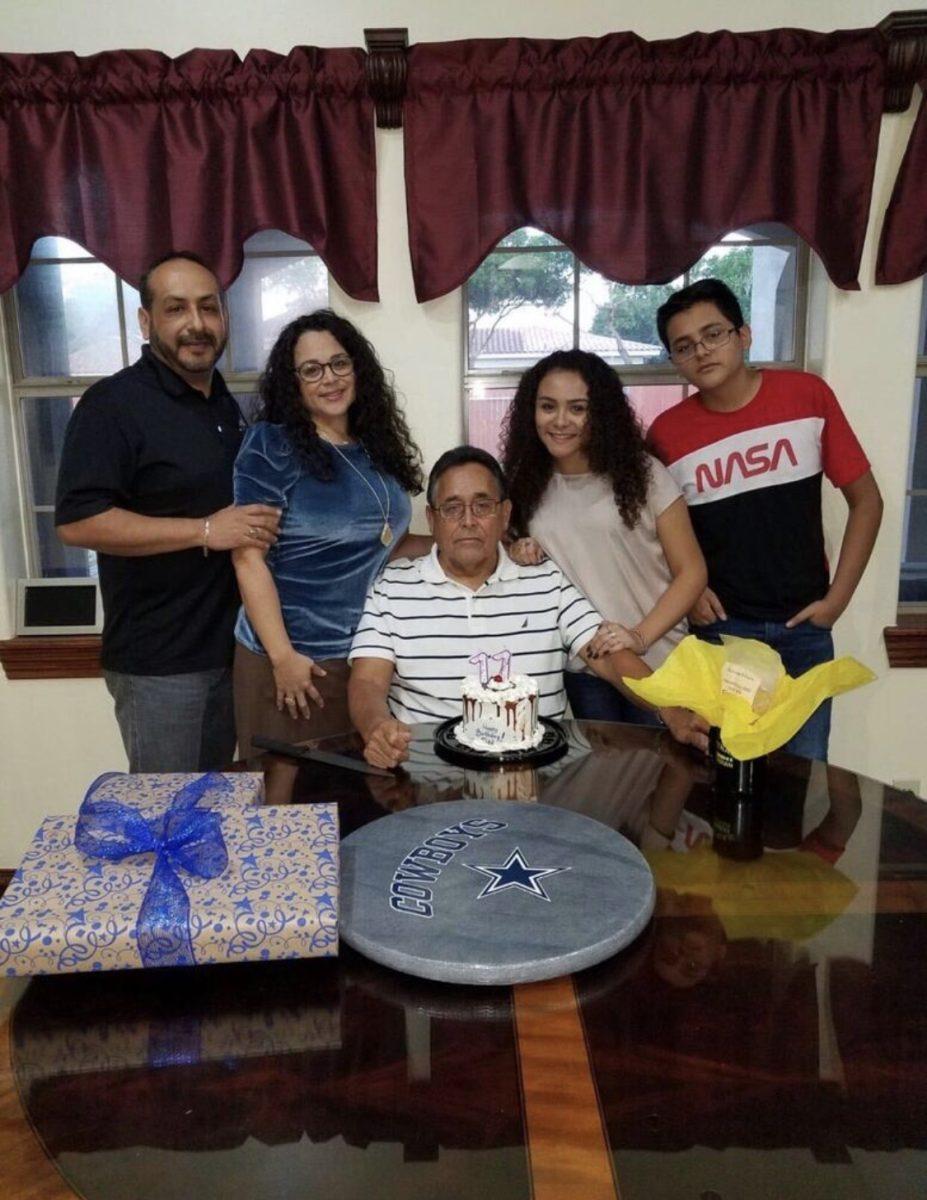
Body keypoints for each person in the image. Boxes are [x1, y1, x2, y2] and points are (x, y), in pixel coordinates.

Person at [55, 251, 281, 772]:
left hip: (231, 651)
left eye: (208, 308)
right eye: (176, 309)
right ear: (146, 320)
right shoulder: (113, 405)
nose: (196, 324)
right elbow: (77, 521)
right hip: (159, 666)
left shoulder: (224, 404)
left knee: (218, 810)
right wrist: (205, 529)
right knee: (167, 819)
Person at [348, 446, 709, 768]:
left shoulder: (544, 579)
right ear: (432, 519)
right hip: (426, 781)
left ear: (505, 515)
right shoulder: (393, 586)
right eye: (452, 508)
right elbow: (367, 680)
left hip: (535, 787)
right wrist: (376, 727)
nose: (469, 521)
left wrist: (670, 710)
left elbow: (610, 657)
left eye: (483, 505)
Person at [649, 278, 883, 761]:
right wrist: (688, 589)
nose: (702, 352)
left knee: (800, 777)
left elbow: (868, 502)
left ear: (744, 334)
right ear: (675, 360)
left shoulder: (807, 396)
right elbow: (654, 535)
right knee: (718, 778)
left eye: (714, 334)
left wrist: (836, 601)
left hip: (804, 632)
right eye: (684, 346)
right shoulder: (667, 434)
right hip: (721, 637)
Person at [231, 310, 428, 761]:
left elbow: (387, 545)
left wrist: (475, 544)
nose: (330, 379)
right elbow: (247, 558)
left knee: (357, 807)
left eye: (340, 363)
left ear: (357, 367)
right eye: (312, 370)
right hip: (291, 662)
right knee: (286, 812)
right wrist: (283, 658)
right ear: (293, 382)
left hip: (365, 662)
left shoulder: (376, 448)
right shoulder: (272, 445)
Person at [500, 349, 707, 724]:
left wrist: (639, 637)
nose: (560, 421)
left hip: (661, 661)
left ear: (601, 413)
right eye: (548, 407)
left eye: (577, 408)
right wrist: (517, 549)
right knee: (600, 782)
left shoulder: (644, 473)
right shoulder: (524, 482)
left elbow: (692, 571)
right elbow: (517, 564)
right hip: (586, 672)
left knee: (676, 778)